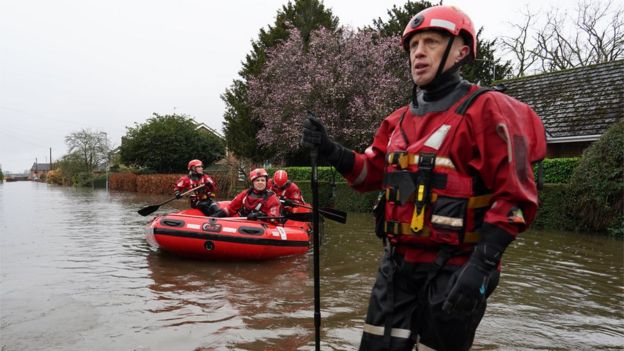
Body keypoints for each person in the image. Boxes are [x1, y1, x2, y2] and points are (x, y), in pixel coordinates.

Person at [301, 5, 546, 351]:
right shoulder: (398, 121)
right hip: (398, 265)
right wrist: (331, 150)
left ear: (461, 51)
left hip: (458, 266)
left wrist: (482, 266)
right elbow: (372, 173)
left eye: (431, 42)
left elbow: (516, 200)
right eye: (414, 45)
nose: (419, 52)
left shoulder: (487, 110)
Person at [212, 168, 281, 221]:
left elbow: (273, 218)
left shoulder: (271, 197)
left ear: (266, 182)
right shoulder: (245, 194)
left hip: (260, 226)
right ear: (253, 182)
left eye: (263, 180)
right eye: (257, 180)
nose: (260, 183)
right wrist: (215, 216)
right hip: (243, 222)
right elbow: (231, 208)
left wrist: (260, 215)